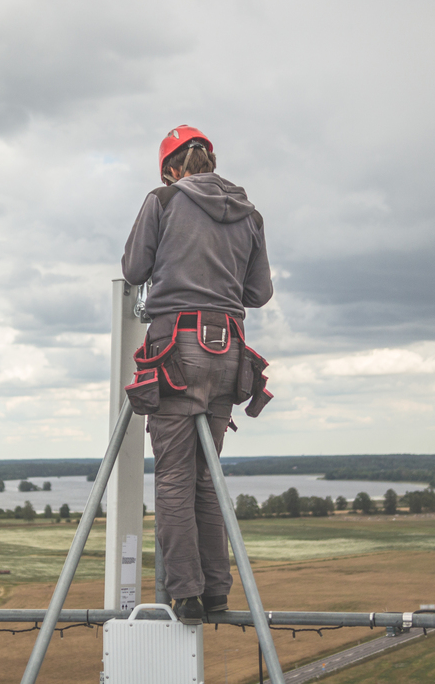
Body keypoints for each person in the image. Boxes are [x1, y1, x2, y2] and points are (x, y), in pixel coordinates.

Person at [121, 125, 272, 624]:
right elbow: (258, 293)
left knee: (175, 476)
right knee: (207, 477)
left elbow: (134, 268)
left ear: (171, 168)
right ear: (210, 160)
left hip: (176, 354)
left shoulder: (163, 200)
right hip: (228, 352)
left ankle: (184, 595)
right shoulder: (249, 213)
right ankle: (215, 593)